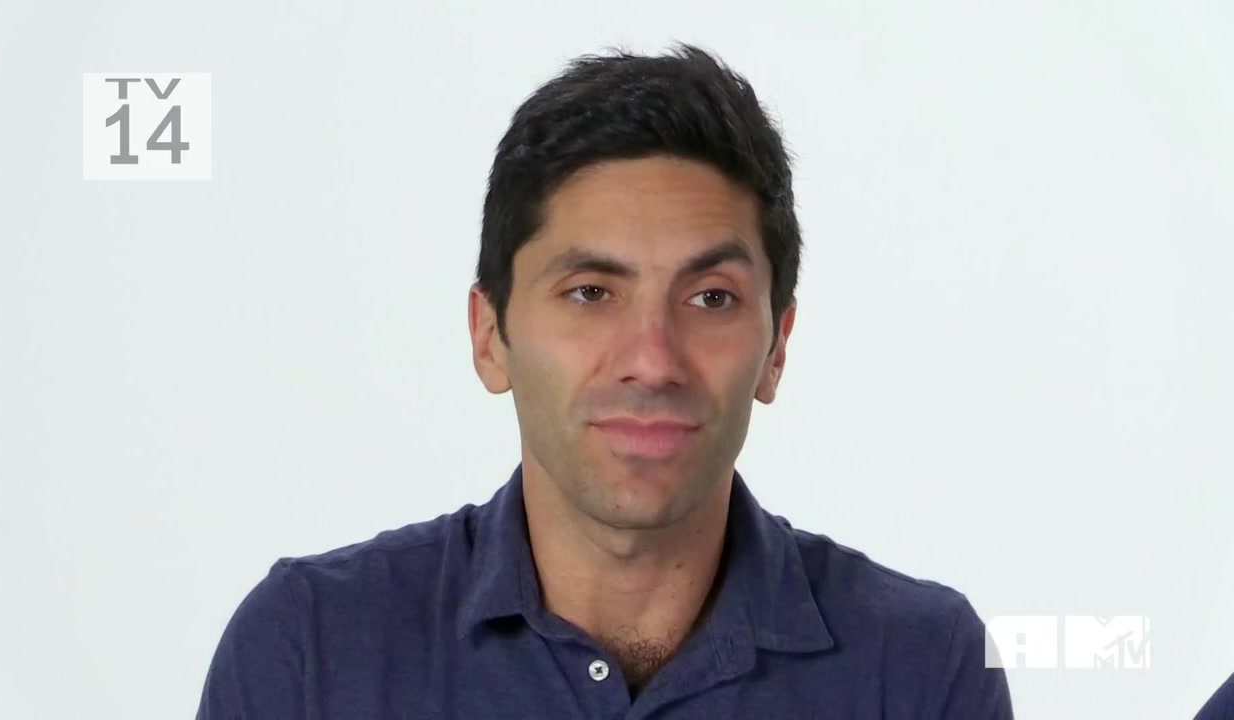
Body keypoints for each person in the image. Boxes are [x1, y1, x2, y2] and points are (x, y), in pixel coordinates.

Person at [196, 43, 1013, 719]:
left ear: (776, 349)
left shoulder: (920, 670)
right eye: (591, 293)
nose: (652, 361)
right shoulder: (311, 650)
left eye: (711, 298)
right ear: (489, 335)